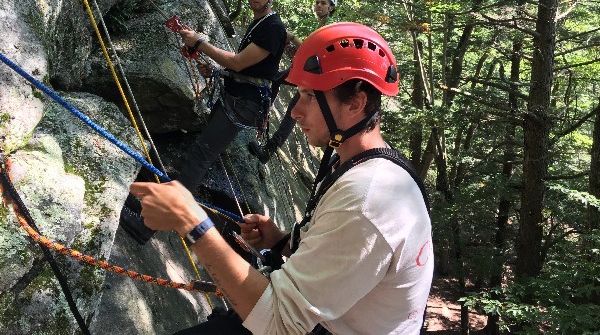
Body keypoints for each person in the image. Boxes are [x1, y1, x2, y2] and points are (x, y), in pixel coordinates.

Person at [130, 22, 434, 334]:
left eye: (310, 96)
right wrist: (281, 242)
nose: (295, 112)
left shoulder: (368, 199)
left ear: (355, 104)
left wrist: (192, 223)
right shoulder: (363, 166)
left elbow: (279, 323)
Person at [120, 0, 287, 244]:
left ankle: (148, 226)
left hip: (242, 105)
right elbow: (248, 70)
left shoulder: (273, 28)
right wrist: (217, 72)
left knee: (199, 159)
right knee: (197, 154)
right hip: (238, 99)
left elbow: (237, 62)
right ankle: (152, 209)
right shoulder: (261, 23)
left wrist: (201, 42)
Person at [248, 0, 338, 163]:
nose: (319, 6)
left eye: (323, 3)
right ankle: (261, 118)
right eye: (317, 2)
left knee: (292, 110)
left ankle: (267, 145)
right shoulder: (322, 25)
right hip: (310, 73)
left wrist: (292, 37)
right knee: (276, 81)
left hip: (314, 77)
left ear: (331, 8)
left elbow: (312, 50)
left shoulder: (329, 28)